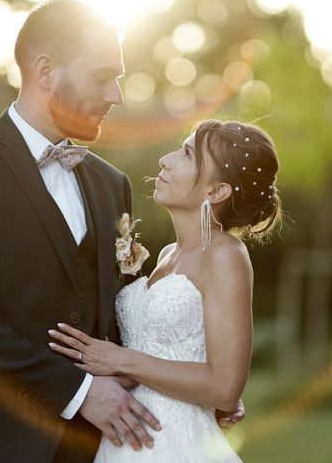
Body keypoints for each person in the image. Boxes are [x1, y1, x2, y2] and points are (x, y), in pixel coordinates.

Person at [0, 0, 242, 463]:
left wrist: (195, 383)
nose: (117, 95)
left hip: (96, 448)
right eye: (102, 76)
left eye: (119, 78)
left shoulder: (112, 184)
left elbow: (123, 316)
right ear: (45, 70)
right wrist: (80, 391)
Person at [50, 119, 282, 461]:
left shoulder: (225, 255)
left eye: (187, 154)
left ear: (215, 192)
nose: (166, 160)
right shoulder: (166, 255)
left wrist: (121, 359)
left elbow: (225, 386)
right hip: (124, 437)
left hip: (175, 444)